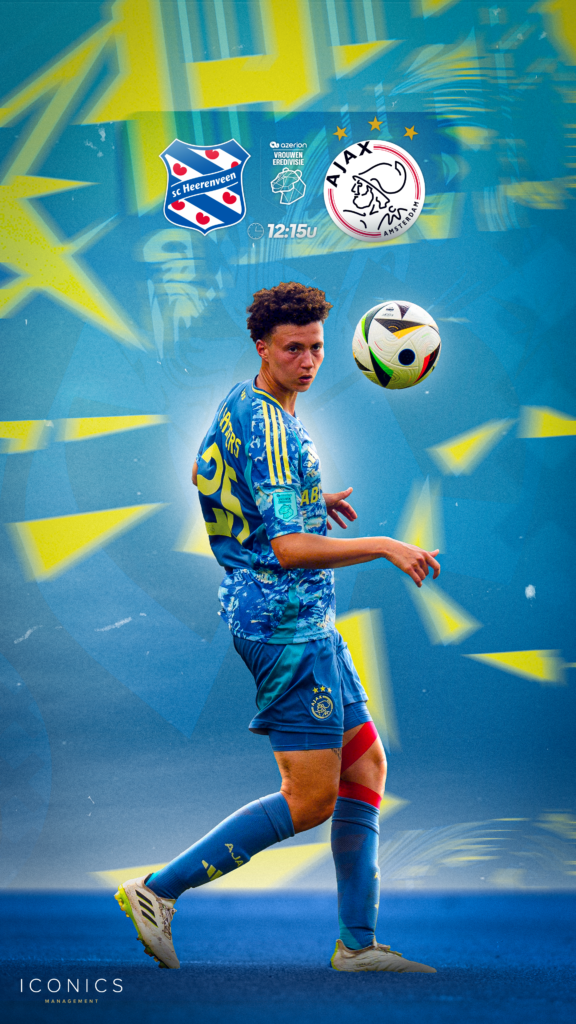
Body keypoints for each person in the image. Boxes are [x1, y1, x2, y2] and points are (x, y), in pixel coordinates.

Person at [115, 282, 440, 972]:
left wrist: (307, 497)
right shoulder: (275, 430)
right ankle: (158, 891)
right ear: (262, 347)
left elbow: (212, 474)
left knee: (366, 766)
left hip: (301, 621)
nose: (309, 360)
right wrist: (384, 545)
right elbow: (289, 549)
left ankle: (357, 946)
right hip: (285, 626)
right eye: (293, 348)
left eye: (316, 347)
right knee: (312, 798)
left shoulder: (243, 403)